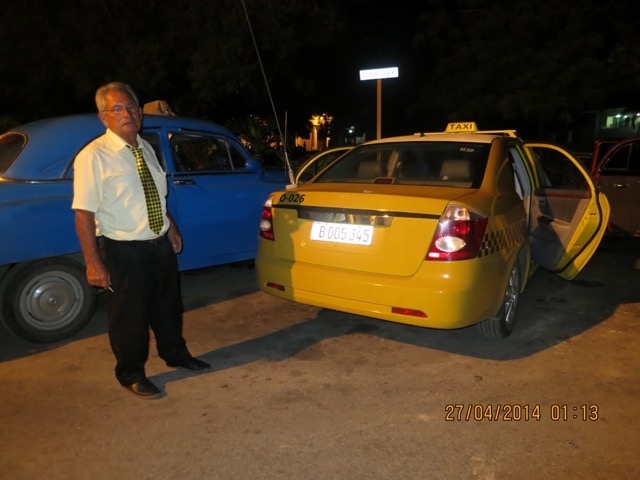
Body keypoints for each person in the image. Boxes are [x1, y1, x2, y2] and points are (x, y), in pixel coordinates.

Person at [72, 82, 210, 400]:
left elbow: (153, 195)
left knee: (168, 308)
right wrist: (93, 262)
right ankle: (131, 373)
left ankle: (176, 354)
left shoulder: (145, 148)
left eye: (132, 107)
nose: (127, 114)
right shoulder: (93, 157)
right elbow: (83, 214)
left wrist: (170, 227)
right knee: (129, 317)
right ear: (103, 117)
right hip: (124, 249)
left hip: (159, 244)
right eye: (117, 109)